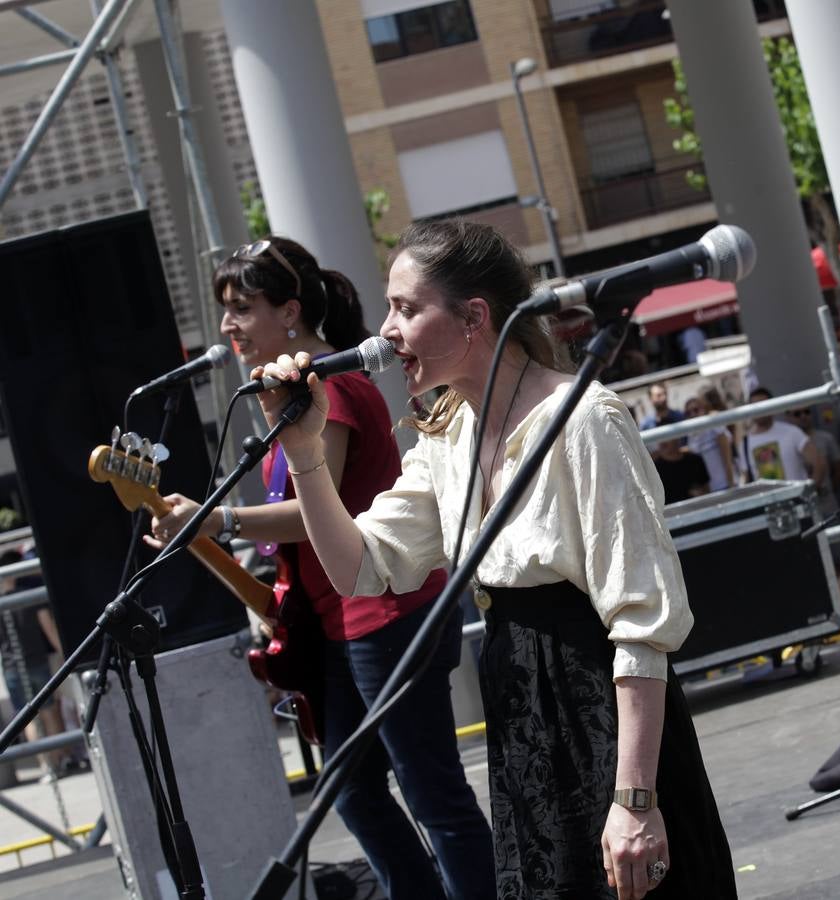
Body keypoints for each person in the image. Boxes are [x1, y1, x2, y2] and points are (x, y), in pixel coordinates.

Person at [249, 219, 736, 900]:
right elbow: (360, 567)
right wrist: (304, 454)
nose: (387, 330)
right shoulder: (448, 435)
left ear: (475, 317)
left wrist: (635, 796)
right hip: (525, 722)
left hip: (602, 714)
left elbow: (641, 622)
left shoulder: (583, 419)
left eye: (407, 308)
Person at [145, 236, 494, 900]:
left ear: (291, 311)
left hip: (386, 614)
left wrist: (217, 521)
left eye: (242, 308)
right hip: (343, 624)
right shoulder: (295, 399)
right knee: (354, 790)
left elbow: (317, 513)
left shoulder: (331, 389)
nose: (228, 327)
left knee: (431, 794)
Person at [0, 548, 73, 780]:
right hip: (37, 660)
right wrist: (65, 654)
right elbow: (48, 627)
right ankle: (60, 759)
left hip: (11, 665)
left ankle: (46, 766)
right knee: (50, 712)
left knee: (27, 718)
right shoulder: (28, 595)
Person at [742, 387, 824, 488]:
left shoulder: (792, 432)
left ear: (772, 406)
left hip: (799, 500)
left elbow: (818, 463)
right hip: (768, 502)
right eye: (754, 406)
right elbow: (746, 478)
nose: (758, 410)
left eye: (762, 405)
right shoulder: (745, 443)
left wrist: (811, 493)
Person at [682, 394, 736, 492]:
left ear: (703, 409)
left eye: (695, 410)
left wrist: (731, 483)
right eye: (688, 413)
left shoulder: (714, 426)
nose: (692, 414)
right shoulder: (691, 436)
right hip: (709, 490)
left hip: (726, 484)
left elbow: (727, 457)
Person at [651, 439, 710, 504]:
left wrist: (700, 494)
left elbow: (706, 490)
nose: (662, 441)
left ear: (677, 438)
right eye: (660, 437)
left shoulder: (695, 460)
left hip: (696, 509)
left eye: (666, 437)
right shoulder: (653, 469)